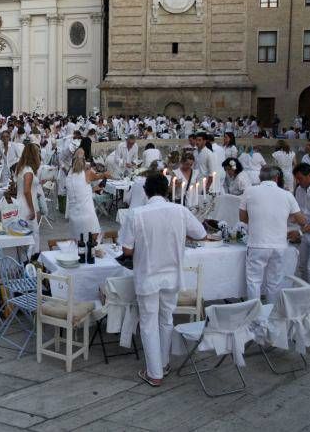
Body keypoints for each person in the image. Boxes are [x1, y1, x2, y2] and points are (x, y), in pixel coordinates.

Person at [120, 174, 207, 387]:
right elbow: (201, 233)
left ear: (146, 191)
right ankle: (164, 364)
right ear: (167, 191)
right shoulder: (180, 211)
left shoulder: (137, 214)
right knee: (166, 319)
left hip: (148, 275)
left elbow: (127, 250)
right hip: (172, 275)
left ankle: (154, 372)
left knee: (148, 323)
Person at [239, 166, 307, 304]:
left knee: (254, 282)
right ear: (277, 178)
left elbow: (243, 218)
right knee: (274, 282)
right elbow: (302, 221)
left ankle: (255, 316)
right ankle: (271, 314)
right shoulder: (287, 194)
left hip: (257, 243)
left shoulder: (250, 191)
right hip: (279, 245)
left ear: (259, 177)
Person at [65, 150, 108, 239]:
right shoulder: (87, 173)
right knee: (93, 243)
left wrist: (93, 189)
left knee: (78, 245)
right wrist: (106, 174)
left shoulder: (68, 177)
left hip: (74, 216)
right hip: (88, 215)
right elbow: (100, 175)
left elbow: (81, 191)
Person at [15, 143, 41, 258]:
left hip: (20, 204)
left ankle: (24, 263)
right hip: (27, 207)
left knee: (24, 238)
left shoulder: (21, 168)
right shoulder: (29, 171)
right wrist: (32, 209)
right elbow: (26, 191)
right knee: (33, 236)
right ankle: (32, 264)